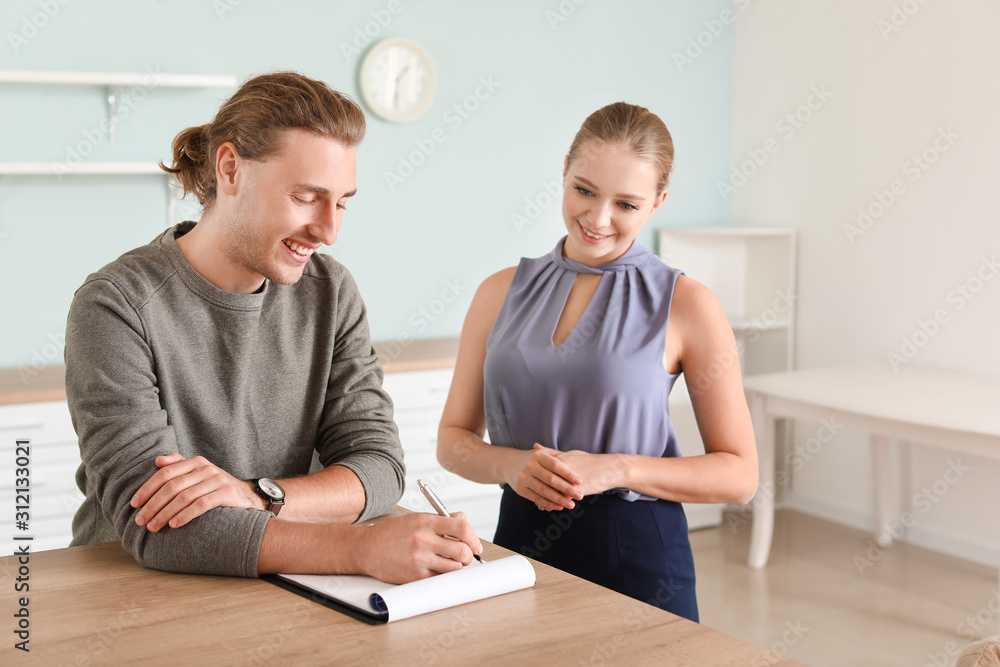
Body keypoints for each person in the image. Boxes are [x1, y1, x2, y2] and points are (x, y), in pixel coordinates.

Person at [65, 71, 481, 583]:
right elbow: (157, 525)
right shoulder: (115, 305)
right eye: (307, 197)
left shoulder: (331, 291)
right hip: (133, 596)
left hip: (283, 588)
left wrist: (256, 494)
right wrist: (360, 547)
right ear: (230, 169)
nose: (330, 230)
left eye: (343, 202)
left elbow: (377, 465)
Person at [437, 102, 758, 621]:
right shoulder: (498, 292)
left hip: (637, 556)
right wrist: (514, 465)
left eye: (626, 204)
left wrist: (617, 468)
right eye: (584, 190)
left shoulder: (688, 304)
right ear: (564, 171)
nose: (598, 218)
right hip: (519, 540)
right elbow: (452, 441)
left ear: (658, 202)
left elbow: (740, 476)